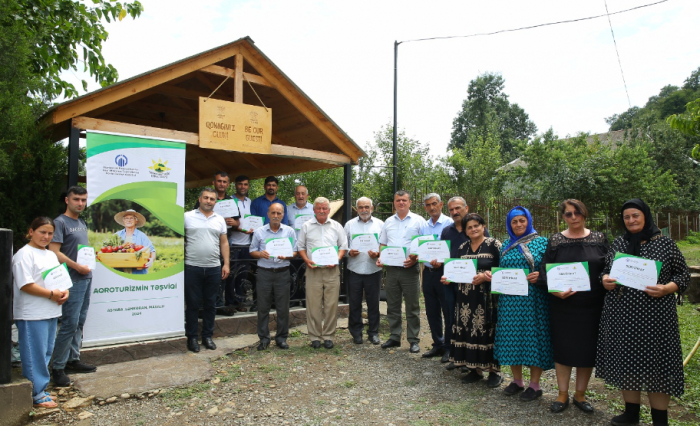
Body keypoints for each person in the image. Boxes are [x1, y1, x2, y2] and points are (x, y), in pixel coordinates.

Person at [598, 199, 689, 426]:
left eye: (635, 216)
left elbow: (683, 275)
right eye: (627, 217)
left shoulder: (665, 244)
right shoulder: (619, 243)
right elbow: (606, 271)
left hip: (656, 318)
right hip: (622, 315)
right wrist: (605, 280)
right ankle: (631, 414)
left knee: (657, 368)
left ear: (646, 216)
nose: (631, 220)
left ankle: (660, 420)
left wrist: (668, 288)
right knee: (628, 363)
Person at [538, 200, 608, 413]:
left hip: (592, 305)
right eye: (569, 214)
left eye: (578, 213)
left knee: (586, 350)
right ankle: (562, 394)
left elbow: (609, 267)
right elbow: (543, 273)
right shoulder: (556, 241)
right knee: (563, 349)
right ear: (563, 217)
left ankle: (580, 394)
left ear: (585, 214)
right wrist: (554, 290)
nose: (574, 217)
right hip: (563, 305)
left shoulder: (600, 239)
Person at [495, 206, 553, 402]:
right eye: (514, 221)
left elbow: (550, 269)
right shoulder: (505, 245)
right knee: (512, 338)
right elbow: (500, 271)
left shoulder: (542, 243)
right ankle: (517, 381)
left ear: (529, 221)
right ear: (509, 224)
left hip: (533, 300)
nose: (518, 224)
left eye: (522, 220)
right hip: (510, 301)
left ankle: (535, 385)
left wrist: (541, 275)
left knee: (533, 339)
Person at [13, 217, 69, 407]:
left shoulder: (50, 255)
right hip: (32, 314)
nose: (46, 236)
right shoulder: (24, 255)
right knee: (33, 354)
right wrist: (51, 294)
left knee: (45, 352)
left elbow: (59, 278)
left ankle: (41, 389)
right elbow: (26, 285)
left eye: (50, 233)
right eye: (42, 232)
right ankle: (35, 394)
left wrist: (64, 291)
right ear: (31, 232)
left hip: (50, 311)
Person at [442, 213, 502, 388]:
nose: (474, 229)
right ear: (466, 231)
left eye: (477, 225)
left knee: (488, 330)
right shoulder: (462, 247)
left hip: (487, 299)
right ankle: (474, 370)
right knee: (468, 330)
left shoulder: (494, 245)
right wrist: (449, 278)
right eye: (470, 227)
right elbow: (457, 270)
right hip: (466, 299)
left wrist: (486, 275)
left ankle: (494, 371)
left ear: (483, 226)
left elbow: (504, 270)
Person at [50, 186, 97, 387]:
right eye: (76, 199)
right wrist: (77, 266)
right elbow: (54, 252)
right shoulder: (59, 223)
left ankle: (73, 359)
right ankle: (57, 368)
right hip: (71, 280)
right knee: (69, 323)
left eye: (83, 200)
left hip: (85, 277)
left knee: (80, 321)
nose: (80, 203)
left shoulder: (81, 222)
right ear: (67, 200)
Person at [377, 190, 426, 354]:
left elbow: (425, 244)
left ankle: (413, 340)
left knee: (412, 306)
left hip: (410, 269)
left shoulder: (419, 221)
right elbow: (383, 243)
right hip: (391, 270)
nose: (401, 203)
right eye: (398, 200)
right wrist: (381, 257)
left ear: (409, 202)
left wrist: (416, 258)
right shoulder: (388, 222)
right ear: (394, 203)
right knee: (392, 305)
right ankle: (394, 336)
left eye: (404, 200)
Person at [184, 187, 230, 353]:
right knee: (193, 305)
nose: (208, 201)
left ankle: (207, 337)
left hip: (213, 268)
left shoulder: (219, 219)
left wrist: (226, 264)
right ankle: (192, 338)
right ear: (200, 198)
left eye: (212, 199)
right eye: (206, 198)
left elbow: (224, 243)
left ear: (215, 201)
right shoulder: (187, 217)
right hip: (192, 267)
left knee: (211, 304)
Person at [298, 197, 348, 349]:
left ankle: (328, 336)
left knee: (331, 304)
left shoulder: (336, 226)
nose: (321, 211)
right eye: (318, 208)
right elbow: (300, 247)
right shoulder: (306, 226)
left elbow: (343, 246)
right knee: (313, 304)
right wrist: (307, 260)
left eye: (324, 208)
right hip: (313, 270)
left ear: (328, 210)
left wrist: (337, 259)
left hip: (332, 270)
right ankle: (314, 336)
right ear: (314, 210)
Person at [249, 203, 297, 350]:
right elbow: (252, 250)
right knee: (263, 307)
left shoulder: (289, 231)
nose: (276, 216)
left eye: (279, 213)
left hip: (283, 273)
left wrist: (288, 255)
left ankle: (281, 338)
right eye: (273, 213)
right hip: (264, 272)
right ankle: (264, 339)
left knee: (283, 308)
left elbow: (294, 251)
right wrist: (260, 254)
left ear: (283, 215)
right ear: (268, 214)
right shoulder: (259, 232)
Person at [195, 171, 240, 315]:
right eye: (219, 181)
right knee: (204, 273)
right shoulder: (205, 198)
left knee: (223, 273)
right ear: (213, 182)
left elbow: (238, 221)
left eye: (224, 182)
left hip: (225, 240)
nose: (222, 184)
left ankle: (219, 305)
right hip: (205, 240)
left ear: (228, 184)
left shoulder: (231, 201)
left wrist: (234, 222)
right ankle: (203, 306)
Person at [344, 197, 384, 345]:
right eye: (360, 207)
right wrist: (349, 252)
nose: (364, 210)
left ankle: (373, 333)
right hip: (354, 269)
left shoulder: (380, 225)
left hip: (373, 270)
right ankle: (356, 333)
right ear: (357, 209)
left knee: (374, 303)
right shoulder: (349, 225)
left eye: (366, 207)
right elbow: (343, 245)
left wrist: (379, 254)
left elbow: (385, 245)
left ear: (372, 208)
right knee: (354, 303)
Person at [419, 193, 453, 361]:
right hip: (428, 272)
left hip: (444, 272)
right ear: (425, 207)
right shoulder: (424, 226)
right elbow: (420, 247)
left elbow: (454, 249)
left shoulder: (449, 223)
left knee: (447, 310)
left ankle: (449, 346)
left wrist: (443, 261)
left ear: (440, 205)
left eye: (434, 204)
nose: (431, 207)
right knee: (432, 311)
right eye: (428, 205)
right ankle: (437, 344)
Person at [226, 175, 254, 314]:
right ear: (235, 185)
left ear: (248, 186)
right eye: (240, 184)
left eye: (245, 184)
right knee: (231, 275)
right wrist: (241, 228)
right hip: (233, 243)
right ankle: (230, 303)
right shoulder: (229, 201)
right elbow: (229, 223)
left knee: (242, 275)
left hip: (247, 244)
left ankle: (240, 301)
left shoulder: (250, 202)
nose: (243, 187)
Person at [112, 209, 156, 274]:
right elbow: (109, 250)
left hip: (137, 273)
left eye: (131, 218)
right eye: (126, 218)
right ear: (123, 221)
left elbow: (152, 251)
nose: (129, 220)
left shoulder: (142, 236)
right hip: (119, 272)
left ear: (136, 221)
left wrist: (151, 260)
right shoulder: (117, 235)